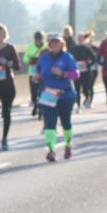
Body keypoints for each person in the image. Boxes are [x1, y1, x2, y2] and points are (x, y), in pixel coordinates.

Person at [36, 33, 80, 161]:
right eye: (53, 42)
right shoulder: (44, 58)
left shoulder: (67, 57)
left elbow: (76, 74)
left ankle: (68, 145)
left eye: (57, 42)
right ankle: (52, 151)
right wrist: (37, 77)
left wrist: (63, 73)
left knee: (66, 122)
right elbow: (38, 70)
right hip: (49, 94)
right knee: (49, 124)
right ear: (49, 44)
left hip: (66, 94)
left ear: (62, 44)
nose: (55, 44)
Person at [24, 32, 47, 118]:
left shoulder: (46, 47)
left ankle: (41, 108)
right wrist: (30, 60)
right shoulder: (30, 47)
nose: (38, 41)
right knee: (33, 93)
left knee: (42, 91)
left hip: (43, 74)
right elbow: (25, 58)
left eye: (40, 39)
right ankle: (35, 104)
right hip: (33, 72)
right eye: (36, 39)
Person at [71, 32, 96, 109]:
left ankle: (87, 98)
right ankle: (78, 106)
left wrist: (88, 65)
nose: (79, 39)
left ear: (84, 39)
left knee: (86, 88)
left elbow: (93, 59)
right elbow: (70, 59)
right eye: (78, 38)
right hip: (77, 72)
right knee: (77, 89)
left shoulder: (87, 48)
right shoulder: (73, 49)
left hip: (86, 72)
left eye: (81, 38)